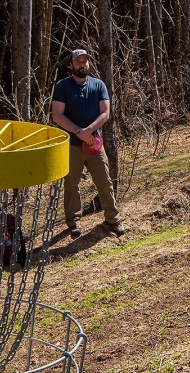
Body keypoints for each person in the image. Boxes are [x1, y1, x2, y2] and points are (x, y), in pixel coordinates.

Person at [52, 49, 125, 238]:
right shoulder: (62, 86)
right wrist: (79, 132)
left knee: (105, 182)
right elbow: (57, 115)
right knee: (71, 184)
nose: (82, 64)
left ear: (88, 64)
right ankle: (73, 222)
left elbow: (105, 113)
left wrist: (89, 132)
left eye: (85, 61)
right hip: (71, 145)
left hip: (95, 145)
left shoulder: (98, 85)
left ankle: (112, 218)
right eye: (78, 61)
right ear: (70, 65)